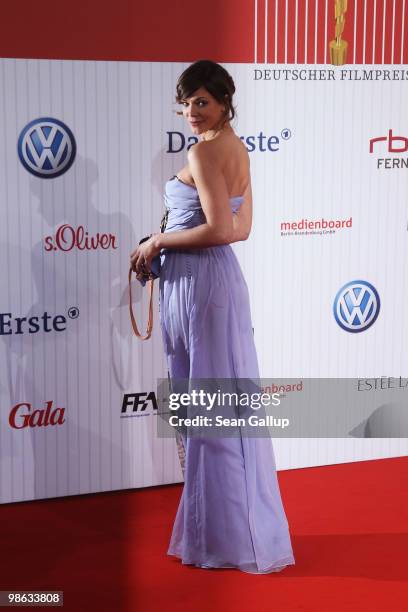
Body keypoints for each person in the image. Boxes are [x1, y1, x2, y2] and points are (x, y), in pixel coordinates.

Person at [130, 59, 295, 574]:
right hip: (217, 282)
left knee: (206, 414)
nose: (191, 112)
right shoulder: (240, 148)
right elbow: (240, 230)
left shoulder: (202, 153)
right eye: (186, 102)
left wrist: (156, 240)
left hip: (198, 284)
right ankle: (237, 534)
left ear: (224, 101)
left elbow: (222, 229)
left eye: (202, 101)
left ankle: (219, 540)